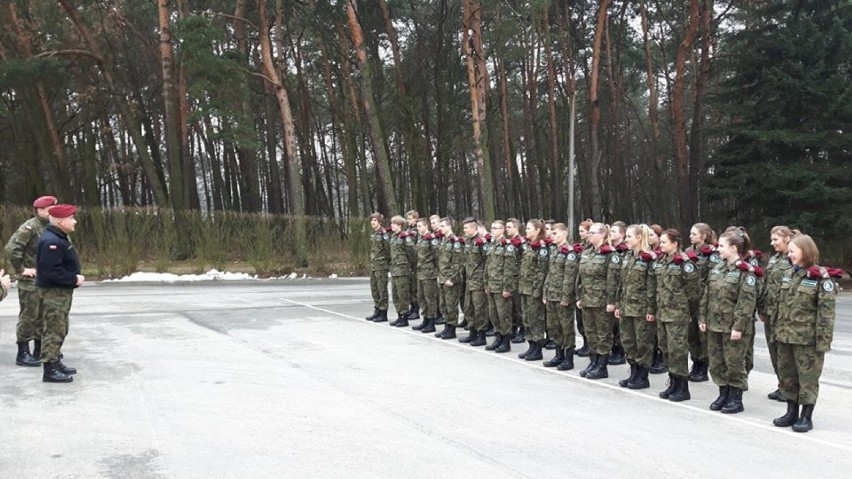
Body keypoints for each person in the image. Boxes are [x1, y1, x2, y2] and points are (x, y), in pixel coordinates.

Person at [772, 235, 840, 433]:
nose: (790, 254)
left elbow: (826, 314)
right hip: (785, 336)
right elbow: (780, 305)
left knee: (807, 379)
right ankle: (791, 412)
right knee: (787, 376)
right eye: (789, 251)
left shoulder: (821, 278)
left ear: (806, 251)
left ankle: (805, 416)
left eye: (793, 251)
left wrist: (823, 342)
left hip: (807, 340)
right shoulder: (788, 274)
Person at [699, 228, 761, 414]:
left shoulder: (746, 272)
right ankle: (723, 393)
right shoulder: (717, 269)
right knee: (717, 362)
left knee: (734, 363)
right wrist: (703, 317)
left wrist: (738, 326)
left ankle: (736, 397)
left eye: (722, 246)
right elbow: (706, 295)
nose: (718, 249)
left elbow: (746, 303)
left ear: (733, 248)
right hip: (715, 324)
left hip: (733, 327)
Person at [5, 195, 57, 367]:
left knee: (43, 317)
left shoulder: (51, 226)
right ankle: (23, 352)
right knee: (29, 317)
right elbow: (12, 248)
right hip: (30, 282)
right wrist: (21, 270)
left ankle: (39, 349)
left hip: (45, 281)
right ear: (40, 210)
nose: (53, 212)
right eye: (50, 209)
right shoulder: (30, 227)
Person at [649, 229, 700, 401]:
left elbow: (693, 293)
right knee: (666, 349)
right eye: (661, 242)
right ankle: (672, 383)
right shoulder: (661, 261)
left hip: (678, 315)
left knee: (678, 350)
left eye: (664, 242)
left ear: (675, 244)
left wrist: (687, 312)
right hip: (663, 313)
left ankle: (682, 387)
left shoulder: (685, 264)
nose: (661, 245)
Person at [36, 204, 84, 383]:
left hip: (60, 293)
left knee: (61, 328)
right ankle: (49, 369)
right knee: (54, 330)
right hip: (54, 293)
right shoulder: (52, 242)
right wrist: (74, 279)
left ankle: (55, 361)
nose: (74, 221)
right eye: (71, 218)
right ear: (61, 221)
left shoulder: (58, 237)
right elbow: (51, 271)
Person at [758, 226, 799, 401]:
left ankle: (792, 389)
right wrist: (762, 308)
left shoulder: (795, 259)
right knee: (774, 352)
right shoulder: (774, 259)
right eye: (772, 239)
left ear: (787, 239)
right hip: (771, 313)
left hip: (785, 316)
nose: (772, 243)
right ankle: (782, 384)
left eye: (776, 239)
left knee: (786, 356)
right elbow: (766, 285)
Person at [614, 224, 657, 389]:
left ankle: (642, 376)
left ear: (639, 238)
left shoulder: (649, 259)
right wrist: (619, 304)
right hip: (626, 306)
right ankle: (633, 372)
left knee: (643, 343)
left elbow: (652, 287)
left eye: (629, 237)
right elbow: (621, 283)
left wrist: (651, 310)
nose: (626, 240)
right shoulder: (628, 257)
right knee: (628, 341)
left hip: (641, 309)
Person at [576, 223, 620, 380]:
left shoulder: (610, 255)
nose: (589, 235)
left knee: (603, 334)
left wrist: (611, 301)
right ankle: (593, 361)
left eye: (593, 232)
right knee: (590, 332)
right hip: (587, 299)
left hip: (601, 301)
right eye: (590, 232)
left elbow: (613, 281)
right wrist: (579, 296)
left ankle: (602, 365)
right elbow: (580, 277)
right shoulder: (587, 253)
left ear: (602, 235)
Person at [685, 222, 718, 382]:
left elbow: (713, 277)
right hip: (690, 298)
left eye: (694, 234)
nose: (690, 236)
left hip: (703, 298)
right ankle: (695, 361)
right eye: (690, 234)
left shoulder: (711, 253)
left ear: (704, 236)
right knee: (691, 334)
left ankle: (703, 365)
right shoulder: (688, 251)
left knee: (702, 334)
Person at [542, 223, 575, 370]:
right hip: (551, 295)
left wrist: (566, 297)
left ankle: (568, 358)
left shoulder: (569, 252)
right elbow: (549, 274)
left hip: (562, 296)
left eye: (555, 233)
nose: (551, 236)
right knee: (554, 326)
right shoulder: (555, 250)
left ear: (564, 234)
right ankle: (558, 354)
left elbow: (570, 277)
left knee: (566, 327)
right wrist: (545, 293)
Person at [517, 219, 549, 361]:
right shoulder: (529, 246)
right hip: (525, 288)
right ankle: (531, 346)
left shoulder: (541, 248)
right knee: (527, 319)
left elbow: (541, 272)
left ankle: (537, 349)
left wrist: (537, 290)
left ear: (537, 230)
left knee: (536, 319)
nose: (526, 231)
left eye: (529, 228)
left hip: (533, 290)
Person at [485, 220, 518, 353]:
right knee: (494, 314)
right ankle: (497, 338)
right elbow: (488, 267)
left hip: (501, 286)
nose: (492, 230)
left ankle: (505, 341)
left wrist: (507, 288)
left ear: (502, 230)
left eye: (495, 228)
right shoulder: (492, 245)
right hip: (492, 285)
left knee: (504, 315)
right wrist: (486, 284)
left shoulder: (507, 246)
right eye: (491, 228)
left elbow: (509, 269)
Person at [460, 217, 488, 346]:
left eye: (466, 228)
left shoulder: (481, 242)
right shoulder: (468, 241)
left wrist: (484, 279)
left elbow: (487, 261)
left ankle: (481, 335)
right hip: (469, 280)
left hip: (478, 281)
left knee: (479, 309)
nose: (464, 230)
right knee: (468, 307)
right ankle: (472, 333)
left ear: (473, 228)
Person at [435, 217, 464, 339]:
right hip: (442, 277)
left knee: (451, 305)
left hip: (451, 280)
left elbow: (458, 262)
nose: (440, 228)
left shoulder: (455, 241)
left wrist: (452, 278)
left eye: (442, 226)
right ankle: (447, 327)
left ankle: (451, 329)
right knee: (443, 305)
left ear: (449, 226)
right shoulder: (444, 240)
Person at [412, 219, 439, 333]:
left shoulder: (431, 239)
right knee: (421, 298)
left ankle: (431, 322)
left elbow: (437, 255)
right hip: (421, 273)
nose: (417, 228)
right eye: (417, 226)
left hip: (429, 273)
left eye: (419, 226)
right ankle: (425, 319)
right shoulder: (421, 239)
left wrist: (436, 271)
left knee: (429, 298)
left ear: (425, 226)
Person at [608, 221, 628, 365]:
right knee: (611, 324)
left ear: (622, 234)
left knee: (619, 324)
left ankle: (620, 351)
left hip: (620, 290)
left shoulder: (625, 251)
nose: (611, 234)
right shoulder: (609, 250)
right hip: (610, 288)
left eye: (614, 232)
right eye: (611, 231)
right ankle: (614, 348)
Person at [388, 216, 414, 327]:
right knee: (395, 294)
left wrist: (410, 267)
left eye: (394, 224)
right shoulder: (393, 237)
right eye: (392, 223)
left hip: (403, 270)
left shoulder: (405, 238)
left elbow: (412, 254)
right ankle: (399, 314)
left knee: (403, 294)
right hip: (395, 269)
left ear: (400, 225)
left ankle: (404, 317)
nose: (392, 225)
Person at [365, 213, 391, 323]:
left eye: (375, 220)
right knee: (374, 289)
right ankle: (377, 309)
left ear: (379, 221)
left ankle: (383, 312)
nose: (372, 222)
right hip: (374, 265)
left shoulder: (383, 234)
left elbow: (388, 251)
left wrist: (386, 264)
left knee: (382, 290)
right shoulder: (375, 234)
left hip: (381, 266)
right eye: (372, 220)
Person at [574, 219, 594, 357]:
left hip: (592, 292)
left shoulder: (592, 249)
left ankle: (590, 346)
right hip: (581, 288)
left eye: (582, 231)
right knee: (581, 321)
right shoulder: (582, 247)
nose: (580, 234)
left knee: (590, 324)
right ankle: (586, 344)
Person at [506, 218, 526, 343]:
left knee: (519, 307)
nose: (507, 229)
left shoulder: (521, 243)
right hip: (509, 278)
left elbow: (524, 261)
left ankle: (522, 330)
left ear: (516, 227)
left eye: (509, 227)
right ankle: (513, 328)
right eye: (506, 227)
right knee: (511, 307)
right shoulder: (508, 243)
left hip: (517, 278)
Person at [405, 210, 421, 320]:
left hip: (416, 261)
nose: (408, 220)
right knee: (410, 286)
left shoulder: (417, 230)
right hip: (409, 261)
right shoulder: (408, 229)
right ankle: (412, 307)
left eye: (410, 218)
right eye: (407, 218)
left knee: (415, 287)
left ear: (415, 219)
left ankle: (416, 309)